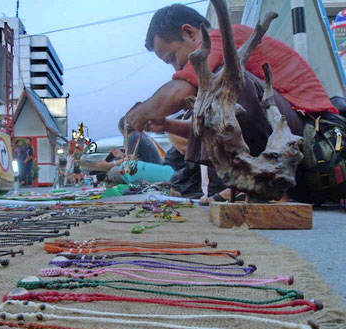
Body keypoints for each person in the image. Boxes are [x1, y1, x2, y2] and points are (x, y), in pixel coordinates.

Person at [125, 3, 338, 203]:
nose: (175, 67)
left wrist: (143, 111)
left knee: (226, 79)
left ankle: (270, 185)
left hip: (313, 142)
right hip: (295, 144)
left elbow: (181, 90)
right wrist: (168, 125)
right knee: (209, 100)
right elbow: (221, 125)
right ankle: (248, 183)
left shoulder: (224, 38)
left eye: (172, 57)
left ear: (189, 32)